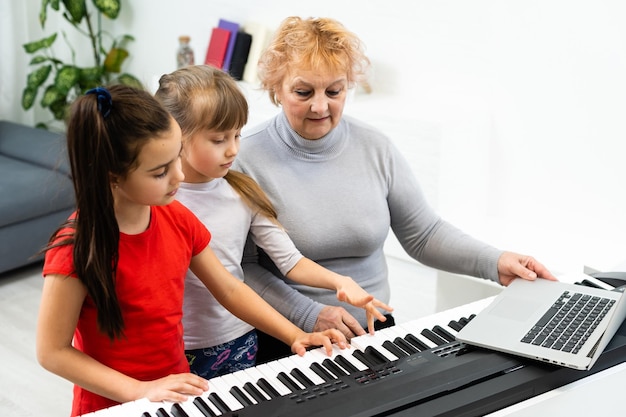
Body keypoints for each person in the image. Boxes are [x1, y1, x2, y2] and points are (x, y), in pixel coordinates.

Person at [232, 16, 558, 363]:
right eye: (303, 92)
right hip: (292, 339)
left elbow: (423, 233)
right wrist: (308, 314)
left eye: (334, 91)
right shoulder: (246, 158)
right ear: (275, 87)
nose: (320, 107)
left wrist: (496, 262)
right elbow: (242, 269)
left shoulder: (375, 147)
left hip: (376, 334)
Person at [35, 85, 348, 417]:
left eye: (176, 159)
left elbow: (228, 288)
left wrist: (295, 335)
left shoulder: (177, 217)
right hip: (114, 406)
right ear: (112, 177)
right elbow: (51, 351)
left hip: (177, 391)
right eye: (160, 172)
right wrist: (139, 390)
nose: (179, 176)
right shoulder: (74, 249)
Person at [154, 64, 392, 379]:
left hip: (242, 340)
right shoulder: (157, 203)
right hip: (178, 347)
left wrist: (340, 282)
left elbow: (290, 260)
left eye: (237, 135)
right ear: (176, 136)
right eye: (219, 139)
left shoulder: (243, 193)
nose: (234, 149)